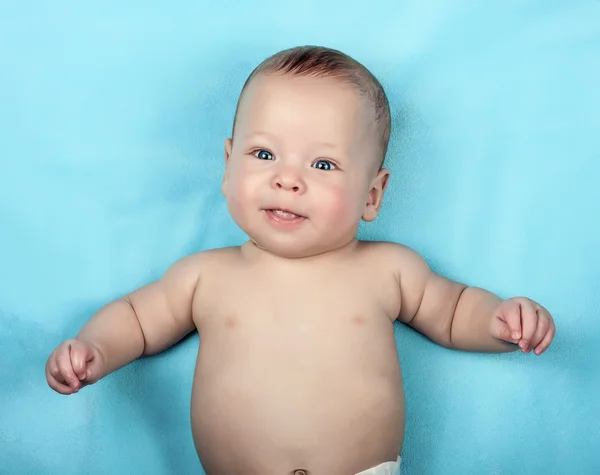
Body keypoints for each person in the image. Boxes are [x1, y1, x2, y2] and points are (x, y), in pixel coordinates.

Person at [45, 45, 556, 475]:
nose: (288, 180)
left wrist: (498, 320)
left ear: (372, 195)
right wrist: (94, 347)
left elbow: (451, 311)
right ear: (228, 167)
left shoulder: (388, 269)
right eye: (264, 155)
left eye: (323, 163)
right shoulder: (206, 275)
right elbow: (136, 318)